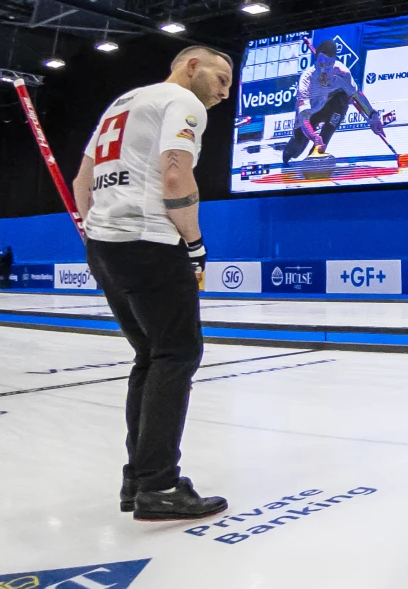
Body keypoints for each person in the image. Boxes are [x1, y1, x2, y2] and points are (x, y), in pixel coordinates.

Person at [71, 45, 232, 521]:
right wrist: (195, 242)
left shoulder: (122, 103)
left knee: (151, 356)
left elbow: (83, 182)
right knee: (178, 354)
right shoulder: (182, 103)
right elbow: (176, 173)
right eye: (221, 79)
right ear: (192, 66)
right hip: (149, 242)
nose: (225, 92)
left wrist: (98, 233)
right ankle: (159, 485)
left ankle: (138, 477)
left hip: (105, 244)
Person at [281, 39, 394, 164]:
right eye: (320, 65)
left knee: (342, 99)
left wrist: (373, 116)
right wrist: (313, 136)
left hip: (328, 107)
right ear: (315, 62)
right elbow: (304, 119)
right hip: (309, 114)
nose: (324, 70)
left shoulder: (342, 73)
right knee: (295, 151)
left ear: (334, 62)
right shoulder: (306, 80)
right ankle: (289, 152)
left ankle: (315, 156)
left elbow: (357, 95)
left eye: (328, 64)